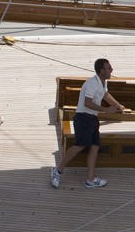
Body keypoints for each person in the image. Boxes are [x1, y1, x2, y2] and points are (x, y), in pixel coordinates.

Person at [51, 59, 124, 189]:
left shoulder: (102, 83)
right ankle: (58, 170)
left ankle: (90, 180)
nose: (111, 70)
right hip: (84, 118)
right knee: (80, 145)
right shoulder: (91, 84)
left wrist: (118, 105)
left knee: (95, 146)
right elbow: (87, 103)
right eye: (109, 68)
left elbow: (105, 95)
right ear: (101, 70)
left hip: (92, 119)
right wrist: (106, 110)